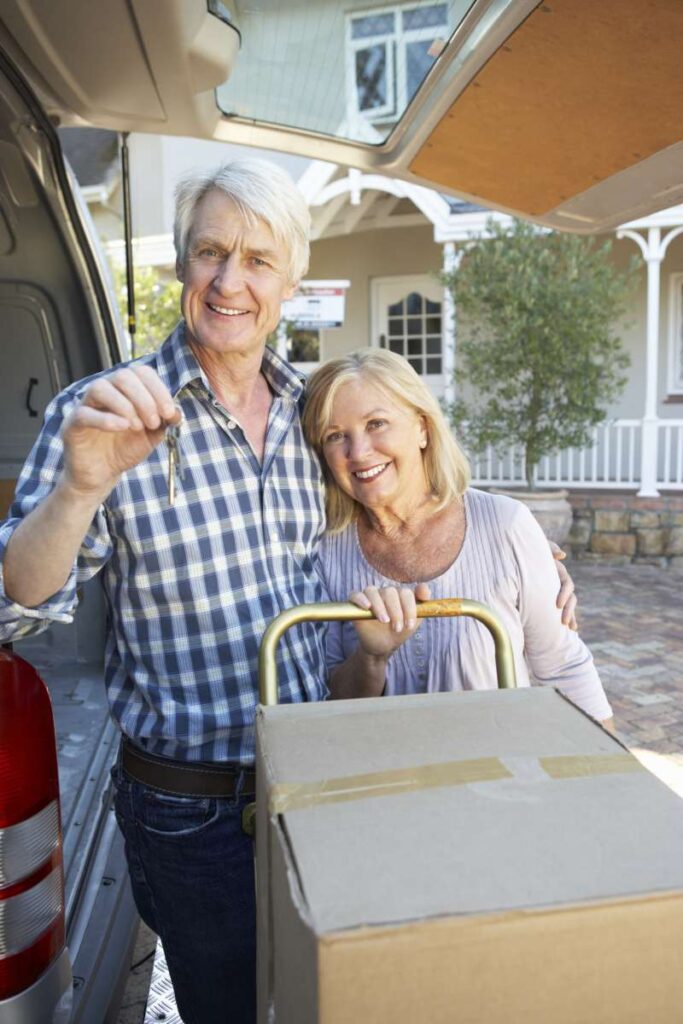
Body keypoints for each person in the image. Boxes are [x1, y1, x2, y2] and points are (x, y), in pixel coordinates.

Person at [0, 158, 329, 1024]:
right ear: (181, 265)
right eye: (210, 252)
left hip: (313, 784)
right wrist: (78, 490)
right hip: (191, 814)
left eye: (258, 260)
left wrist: (507, 549)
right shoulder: (100, 412)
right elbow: (15, 610)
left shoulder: (314, 413)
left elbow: (399, 498)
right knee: (225, 1008)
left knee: (315, 998)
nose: (230, 281)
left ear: (290, 280)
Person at [301, 348, 613, 729]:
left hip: (499, 779)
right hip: (383, 781)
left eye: (376, 423)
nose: (359, 452)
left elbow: (563, 668)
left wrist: (609, 775)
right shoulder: (326, 552)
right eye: (336, 436)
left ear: (422, 427)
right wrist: (371, 658)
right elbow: (331, 704)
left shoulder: (504, 525)